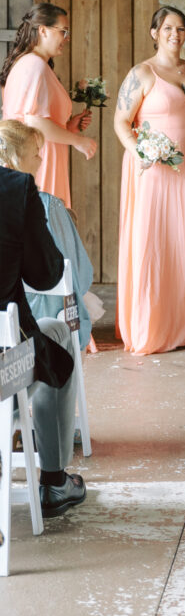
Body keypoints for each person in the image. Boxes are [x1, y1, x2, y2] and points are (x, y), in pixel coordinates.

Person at [114, 6, 185, 355]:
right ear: (154, 32)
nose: (176, 34)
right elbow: (121, 122)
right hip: (153, 174)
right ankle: (152, 328)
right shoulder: (141, 73)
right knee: (154, 243)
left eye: (181, 28)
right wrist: (140, 152)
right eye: (168, 28)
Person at [0, 130, 85, 517]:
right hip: (5, 368)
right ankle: (54, 482)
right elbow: (47, 276)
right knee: (59, 334)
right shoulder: (17, 189)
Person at [0, 120, 93, 350]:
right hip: (24, 324)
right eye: (35, 154)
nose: (41, 160)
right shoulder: (46, 204)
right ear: (15, 159)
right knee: (63, 332)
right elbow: (71, 274)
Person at [0, 3, 97, 208]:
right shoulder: (34, 65)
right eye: (63, 31)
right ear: (42, 30)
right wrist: (77, 140)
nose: (67, 38)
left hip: (41, 153)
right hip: (38, 157)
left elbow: (38, 119)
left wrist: (67, 127)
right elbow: (34, 122)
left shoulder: (32, 64)